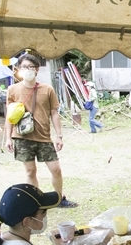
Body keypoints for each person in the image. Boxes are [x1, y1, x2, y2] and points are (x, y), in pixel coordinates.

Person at [5, 53, 77, 208]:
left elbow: (54, 113)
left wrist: (59, 136)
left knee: (56, 169)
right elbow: (9, 116)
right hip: (22, 137)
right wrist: (8, 138)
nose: (28, 70)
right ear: (18, 69)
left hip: (44, 136)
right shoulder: (12, 90)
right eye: (24, 67)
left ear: (37, 70)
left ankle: (59, 199)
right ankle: (35, 202)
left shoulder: (47, 89)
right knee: (30, 172)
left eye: (31, 67)